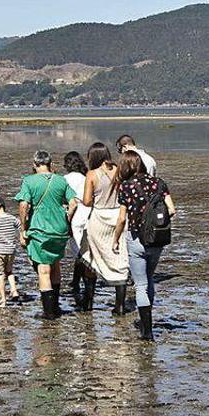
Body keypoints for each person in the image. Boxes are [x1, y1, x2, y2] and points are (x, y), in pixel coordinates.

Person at [112, 150, 175, 340]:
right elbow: (172, 210)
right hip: (157, 240)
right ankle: (148, 323)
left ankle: (146, 330)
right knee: (149, 278)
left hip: (136, 238)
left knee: (140, 285)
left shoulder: (126, 187)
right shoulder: (159, 183)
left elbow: (122, 219)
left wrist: (115, 239)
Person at [15, 150, 78, 319]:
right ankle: (55, 306)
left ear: (35, 164)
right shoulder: (61, 180)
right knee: (56, 265)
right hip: (60, 229)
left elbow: (24, 206)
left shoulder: (29, 181)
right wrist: (67, 219)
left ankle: (49, 312)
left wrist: (22, 229)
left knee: (43, 269)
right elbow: (73, 203)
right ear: (50, 163)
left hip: (39, 229)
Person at [80, 143, 129, 314]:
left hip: (99, 217)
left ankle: (88, 301)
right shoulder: (119, 170)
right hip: (118, 216)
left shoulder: (92, 174)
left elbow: (87, 202)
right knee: (118, 257)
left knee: (90, 256)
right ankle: (120, 305)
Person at [63, 151, 92, 305]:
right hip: (87, 214)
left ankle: (82, 283)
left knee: (78, 252)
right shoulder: (86, 177)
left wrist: (66, 217)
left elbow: (68, 201)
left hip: (74, 215)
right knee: (82, 250)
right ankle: (76, 282)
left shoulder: (65, 179)